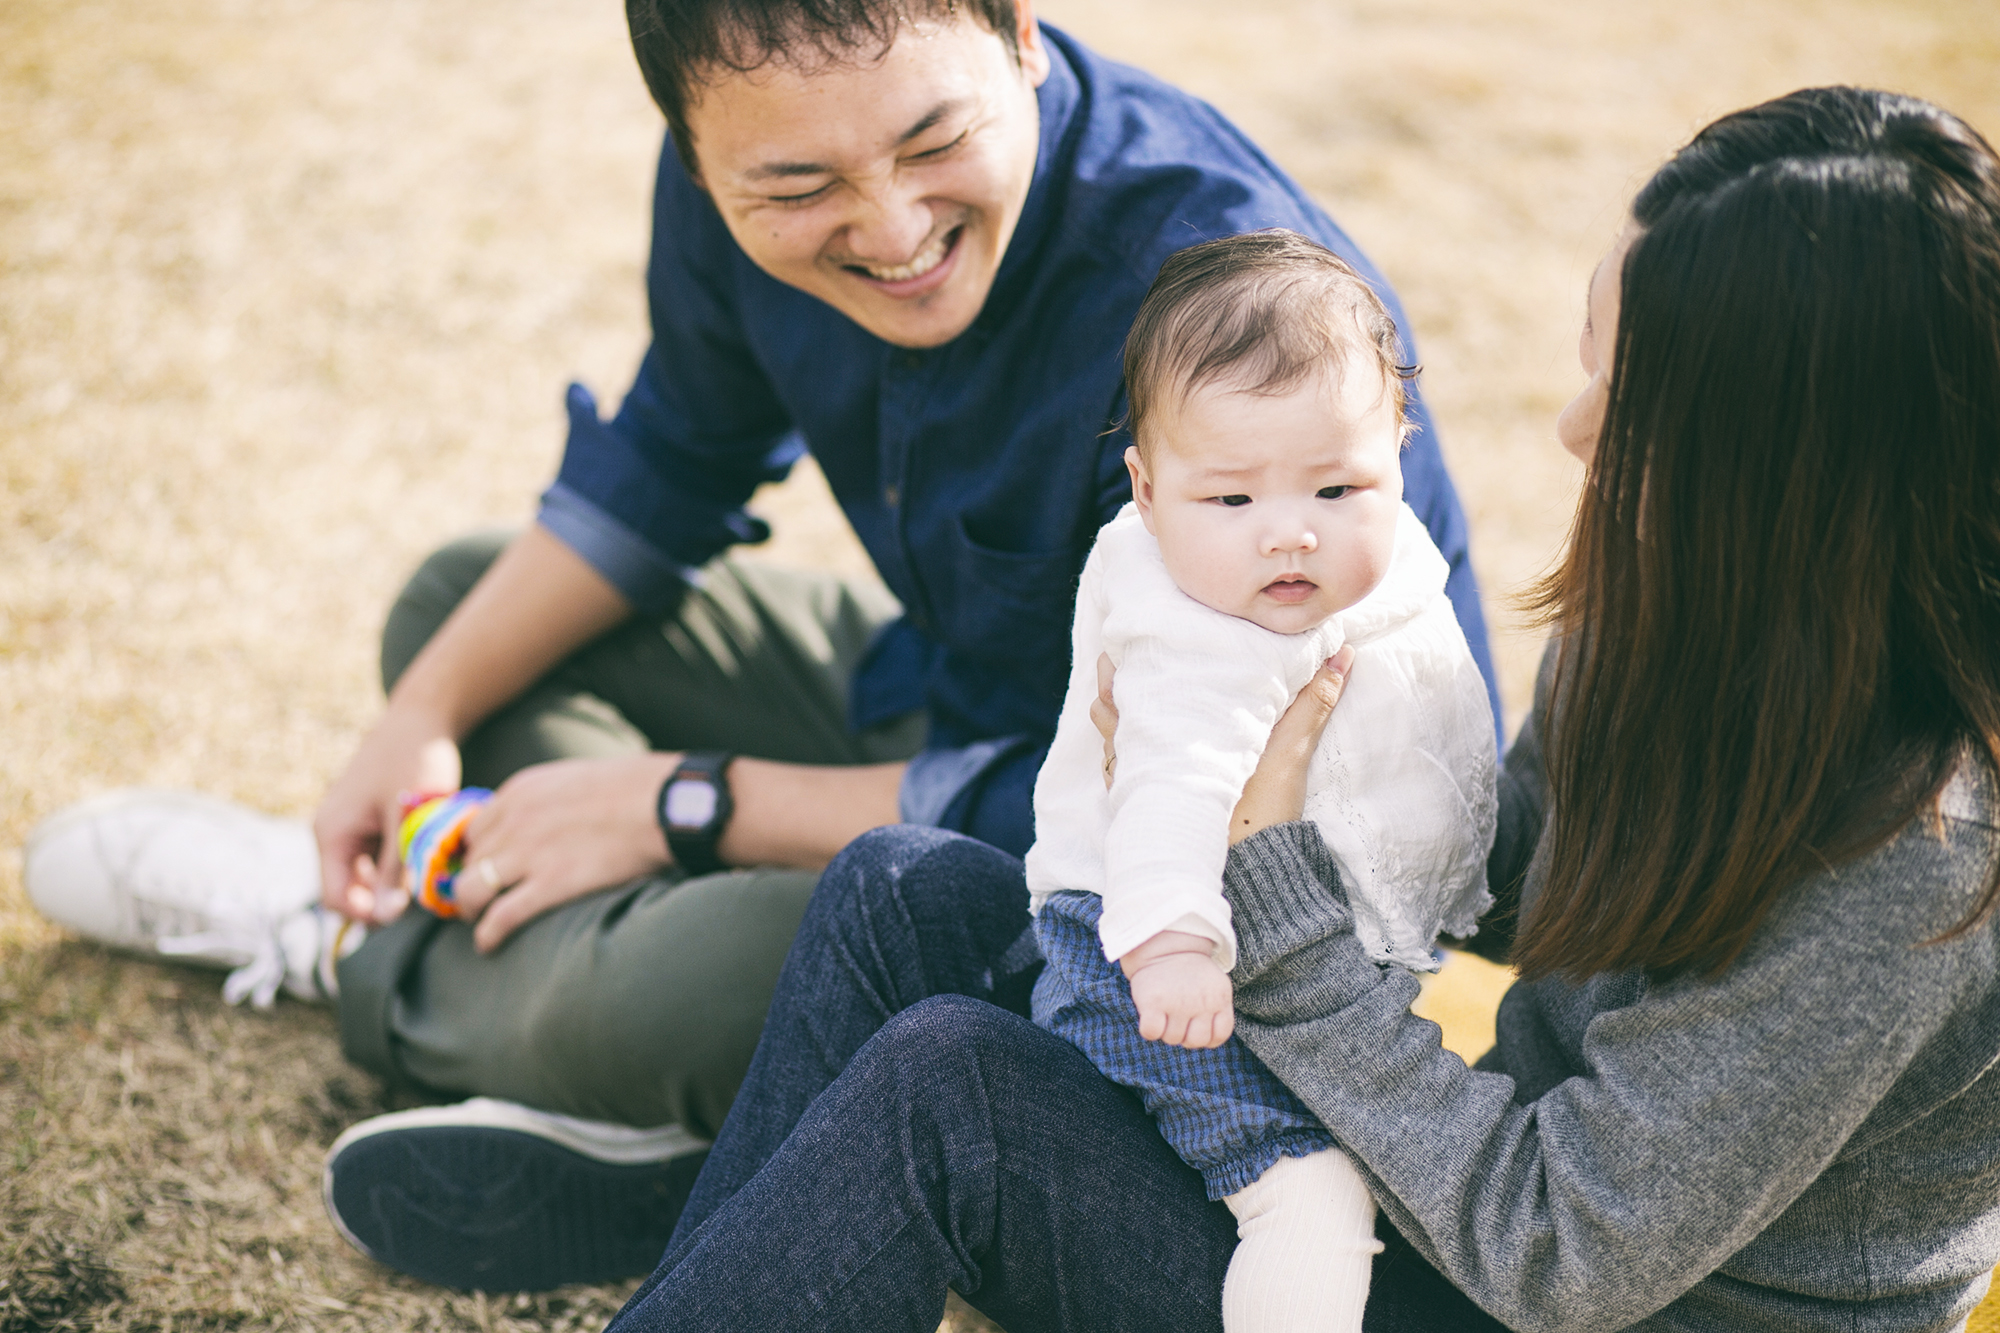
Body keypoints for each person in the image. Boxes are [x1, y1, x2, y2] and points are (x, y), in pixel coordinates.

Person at [18, 0, 1496, 1292]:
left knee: (756, 961)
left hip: (1140, 895)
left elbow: (1208, 802)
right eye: (797, 185)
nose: (894, 228)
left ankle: (350, 934)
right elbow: (671, 458)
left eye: (933, 146)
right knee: (460, 613)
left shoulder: (1221, 308)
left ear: (1024, 30)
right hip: (935, 696)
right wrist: (416, 714)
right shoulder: (730, 154)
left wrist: (684, 802)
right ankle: (672, 1083)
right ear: (697, 141)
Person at [597, 86, 2000, 1331]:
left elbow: (1561, 1253)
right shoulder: (1690, 603)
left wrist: (1276, 912)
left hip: (1555, 1283)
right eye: (1592, 352)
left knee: (948, 1096)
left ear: (1790, 471)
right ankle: (743, 1255)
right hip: (1457, 1207)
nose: (1574, 428)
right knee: (900, 891)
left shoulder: (1919, 859)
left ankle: (796, 1213)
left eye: (1628, 399)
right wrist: (1243, 764)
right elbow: (1517, 882)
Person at [1022, 230, 1495, 1332]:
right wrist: (1174, 945)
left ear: (1399, 457)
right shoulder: (1197, 632)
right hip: (1138, 954)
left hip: (1269, 953)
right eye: (1229, 501)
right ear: (1144, 489)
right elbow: (1167, 792)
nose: (1287, 533)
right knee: (1310, 1194)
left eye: (1335, 485)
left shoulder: (1375, 565)